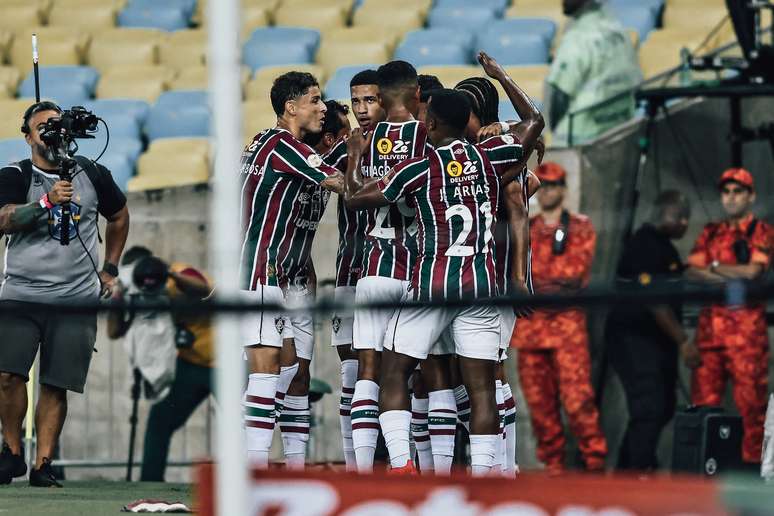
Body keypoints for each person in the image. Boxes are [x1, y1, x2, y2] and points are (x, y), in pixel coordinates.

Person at [345, 82, 543, 475]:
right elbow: (534, 120)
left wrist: (354, 156)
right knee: (483, 388)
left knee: (394, 372)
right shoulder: (492, 157)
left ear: (431, 123)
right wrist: (500, 76)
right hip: (482, 286)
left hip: (432, 286)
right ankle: (485, 479)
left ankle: (402, 466)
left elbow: (354, 196)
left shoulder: (420, 168)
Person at [0, 101, 129, 487]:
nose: (52, 131)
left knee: (56, 383)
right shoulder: (15, 173)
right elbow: (4, 219)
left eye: (57, 124)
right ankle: (11, 452)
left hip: (75, 296)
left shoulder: (91, 173)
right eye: (42, 126)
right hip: (21, 293)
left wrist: (110, 268)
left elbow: (119, 215)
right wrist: (45, 202)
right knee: (7, 375)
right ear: (27, 136)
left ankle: (43, 463)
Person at [239, 71, 344, 469]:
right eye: (314, 100)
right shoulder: (282, 145)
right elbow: (338, 181)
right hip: (260, 272)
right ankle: (253, 470)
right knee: (267, 372)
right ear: (291, 107)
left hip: (290, 278)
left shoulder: (273, 146)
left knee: (296, 373)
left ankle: (295, 469)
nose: (321, 107)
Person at [348, 60, 430, 473]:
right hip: (420, 266)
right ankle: (428, 469)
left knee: (370, 370)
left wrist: (352, 158)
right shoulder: (427, 136)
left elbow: (352, 192)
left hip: (377, 263)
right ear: (417, 95)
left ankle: (367, 474)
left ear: (379, 98)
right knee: (425, 373)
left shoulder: (365, 137)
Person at [511, 162, 607, 473]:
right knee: (540, 407)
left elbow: (574, 276)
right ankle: (554, 470)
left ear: (563, 189)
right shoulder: (527, 225)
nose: (548, 191)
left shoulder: (580, 226)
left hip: (568, 331)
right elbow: (521, 277)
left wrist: (533, 282)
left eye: (554, 185)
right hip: (531, 330)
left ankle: (594, 463)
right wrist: (537, 282)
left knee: (578, 401)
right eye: (545, 185)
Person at [686, 168, 772, 464]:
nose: (731, 198)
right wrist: (726, 273)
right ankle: (701, 475)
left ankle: (752, 477)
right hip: (710, 336)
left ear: (751, 196)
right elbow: (691, 272)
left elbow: (752, 272)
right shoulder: (710, 231)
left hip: (746, 338)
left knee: (752, 410)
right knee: (703, 408)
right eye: (727, 192)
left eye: (738, 191)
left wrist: (713, 267)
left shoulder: (761, 231)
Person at [106, 246, 215, 482]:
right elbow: (114, 332)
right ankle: (150, 484)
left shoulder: (178, 273)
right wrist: (118, 297)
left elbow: (204, 290)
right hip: (191, 363)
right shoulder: (137, 292)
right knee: (159, 422)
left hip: (228, 362)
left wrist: (168, 274)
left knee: (243, 424)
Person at [606, 190, 693, 471]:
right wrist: (683, 341)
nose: (685, 224)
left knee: (663, 405)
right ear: (671, 215)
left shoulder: (664, 247)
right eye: (682, 218)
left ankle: (633, 467)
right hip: (634, 339)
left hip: (654, 344)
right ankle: (636, 471)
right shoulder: (645, 244)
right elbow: (654, 301)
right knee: (649, 406)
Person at [325, 76, 384, 471]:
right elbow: (316, 172)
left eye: (370, 99)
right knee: (351, 375)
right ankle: (355, 470)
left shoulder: (404, 145)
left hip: (395, 275)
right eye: (355, 100)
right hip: (349, 273)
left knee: (402, 379)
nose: (362, 107)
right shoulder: (346, 150)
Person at [545, 0, 642, 146]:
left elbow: (559, 98)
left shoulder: (578, 38)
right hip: (620, 137)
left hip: (580, 144)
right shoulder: (619, 32)